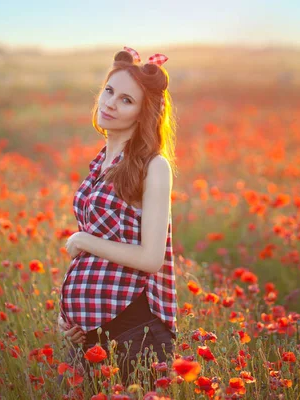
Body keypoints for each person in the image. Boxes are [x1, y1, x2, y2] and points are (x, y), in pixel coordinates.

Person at [57, 46, 179, 389]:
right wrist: (73, 317)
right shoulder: (101, 162)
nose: (110, 103)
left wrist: (82, 240)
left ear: (143, 113)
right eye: (109, 91)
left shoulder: (154, 166)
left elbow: (150, 258)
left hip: (134, 333)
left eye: (126, 100)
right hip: (91, 335)